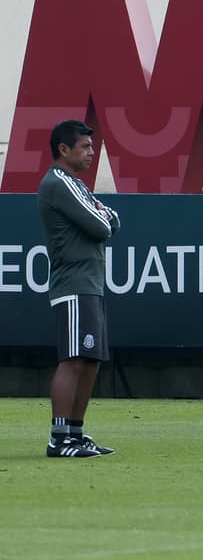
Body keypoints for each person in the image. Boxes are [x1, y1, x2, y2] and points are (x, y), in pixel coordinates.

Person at [37, 120, 121, 459]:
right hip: (73, 285)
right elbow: (102, 225)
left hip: (90, 284)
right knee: (73, 360)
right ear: (63, 149)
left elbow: (113, 219)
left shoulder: (76, 184)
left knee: (90, 361)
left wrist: (105, 217)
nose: (91, 152)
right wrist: (104, 218)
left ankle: (75, 434)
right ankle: (59, 439)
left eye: (91, 146)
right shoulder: (59, 182)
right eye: (85, 146)